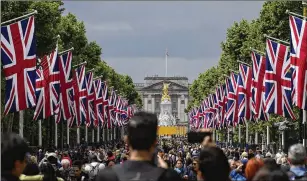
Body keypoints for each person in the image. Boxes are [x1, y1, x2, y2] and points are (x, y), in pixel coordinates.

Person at [95, 111, 182, 181]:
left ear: (127, 141)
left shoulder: (107, 176)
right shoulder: (169, 176)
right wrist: (166, 173)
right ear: (155, 142)